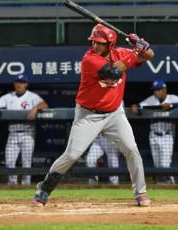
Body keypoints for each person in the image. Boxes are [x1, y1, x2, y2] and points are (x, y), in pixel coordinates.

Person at [34, 24, 154, 207]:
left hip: (115, 113)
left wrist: (143, 46)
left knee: (131, 149)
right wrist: (134, 51)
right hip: (88, 115)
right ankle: (44, 189)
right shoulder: (89, 59)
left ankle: (141, 193)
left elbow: (149, 56)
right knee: (72, 154)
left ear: (110, 44)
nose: (95, 46)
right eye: (94, 42)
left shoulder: (121, 52)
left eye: (100, 43)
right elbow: (113, 73)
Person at [0, 74, 49, 185]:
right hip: (13, 134)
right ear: (14, 83)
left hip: (27, 133)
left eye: (22, 82)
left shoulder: (32, 96)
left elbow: (45, 105)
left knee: (26, 163)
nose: (19, 84)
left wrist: (35, 108)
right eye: (17, 82)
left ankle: (26, 185)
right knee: (9, 162)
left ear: (26, 84)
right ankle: (12, 185)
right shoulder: (8, 97)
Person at [130, 80, 178, 184]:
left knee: (165, 165)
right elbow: (139, 107)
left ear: (164, 90)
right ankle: (162, 187)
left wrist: (171, 106)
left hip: (167, 135)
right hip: (153, 135)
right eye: (154, 90)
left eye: (158, 90)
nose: (156, 92)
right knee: (157, 166)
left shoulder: (172, 98)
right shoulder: (151, 99)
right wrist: (135, 106)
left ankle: (171, 186)